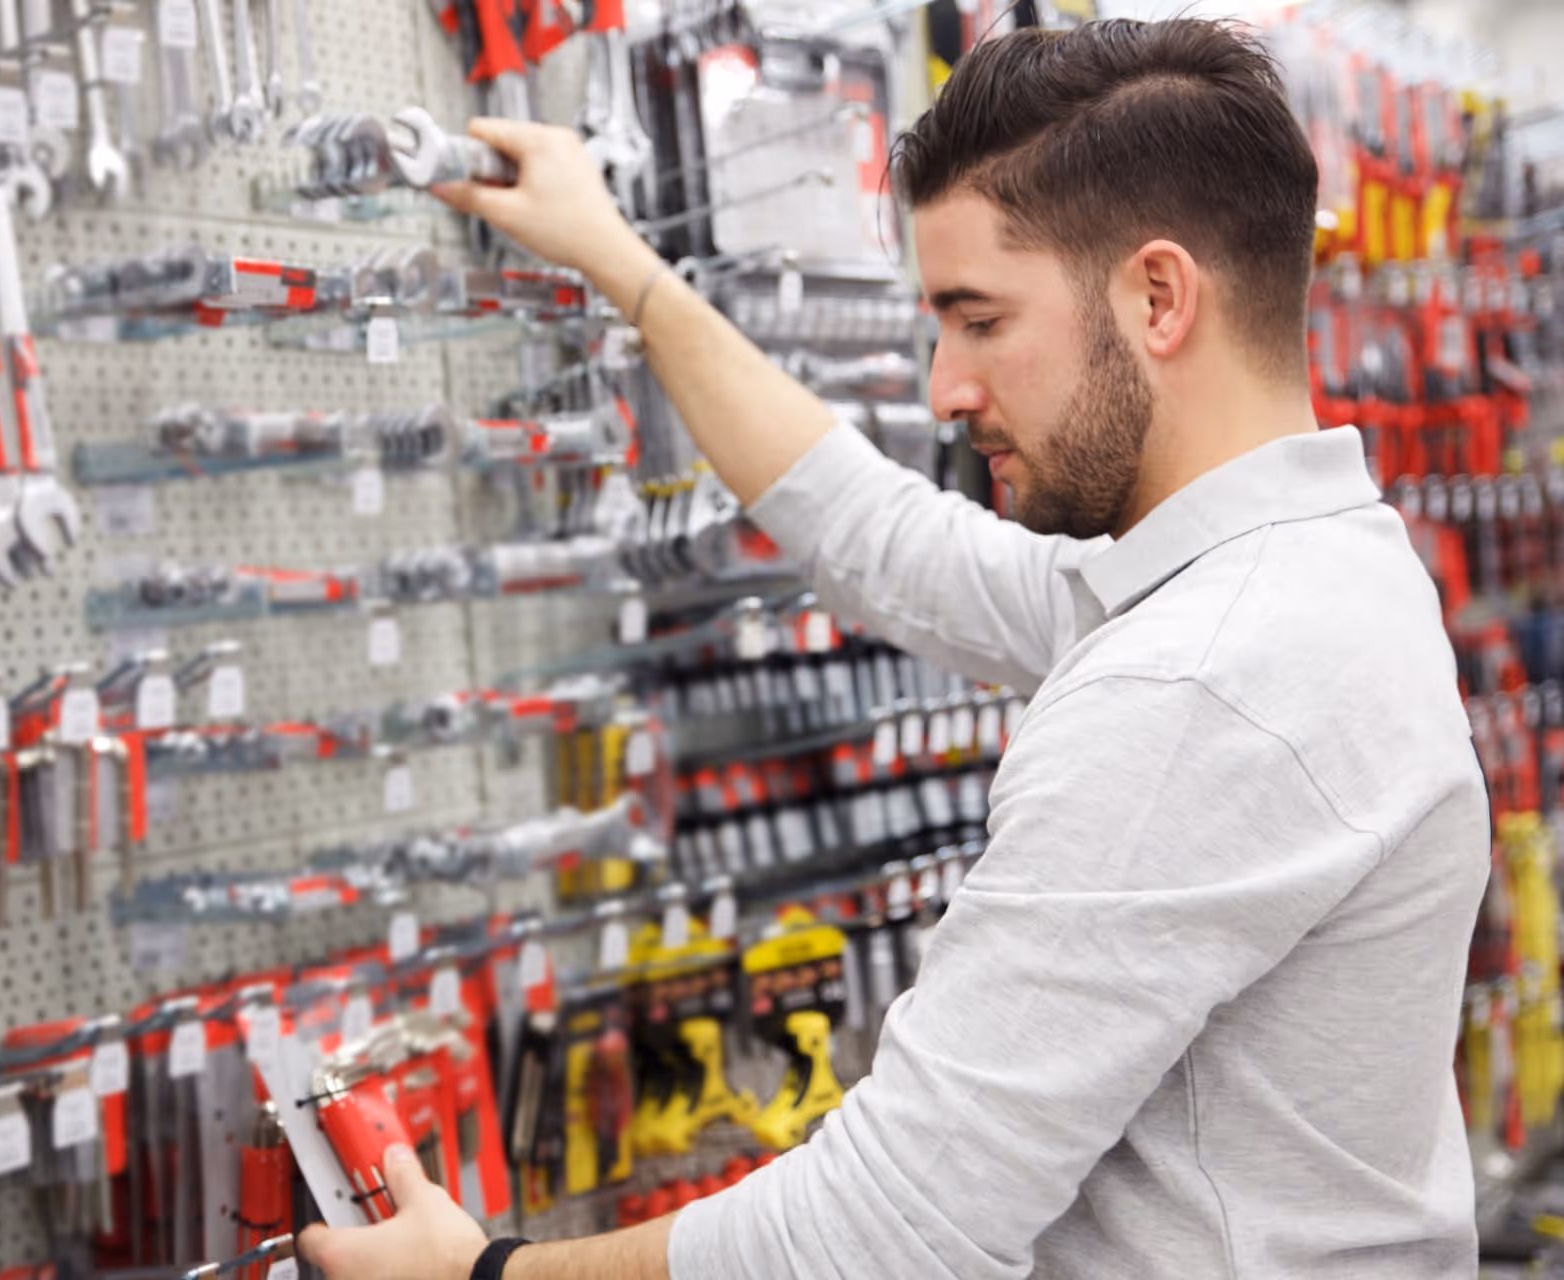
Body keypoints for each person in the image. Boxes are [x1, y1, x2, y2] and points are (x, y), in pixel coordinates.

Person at [299, 17, 1490, 1280]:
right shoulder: (1314, 565)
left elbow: (882, 1232)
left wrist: (484, 1273)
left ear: (1157, 297)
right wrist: (622, 262)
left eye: (979, 320)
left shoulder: (1195, 684)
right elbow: (881, 535)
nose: (942, 387)